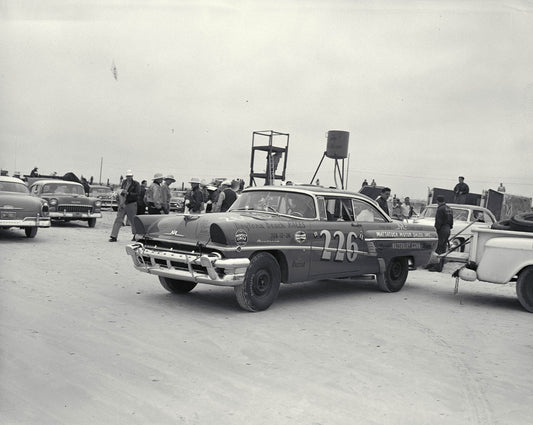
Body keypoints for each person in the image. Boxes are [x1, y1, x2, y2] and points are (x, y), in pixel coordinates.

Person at [109, 170, 140, 242]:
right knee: (118, 219)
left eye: (130, 176)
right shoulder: (124, 183)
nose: (128, 177)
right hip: (123, 203)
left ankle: (136, 235)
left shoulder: (136, 184)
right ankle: (114, 236)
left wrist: (128, 193)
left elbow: (137, 194)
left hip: (131, 203)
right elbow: (121, 192)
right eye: (127, 176)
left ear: (132, 176)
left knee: (133, 221)